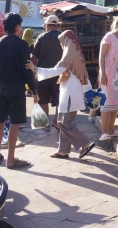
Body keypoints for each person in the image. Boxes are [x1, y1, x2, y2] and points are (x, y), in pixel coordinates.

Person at [26, 30, 95, 159]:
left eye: (62, 42)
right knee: (66, 122)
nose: (61, 45)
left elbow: (56, 71)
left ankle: (85, 142)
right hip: (75, 93)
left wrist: (35, 69)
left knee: (62, 122)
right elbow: (84, 76)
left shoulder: (68, 55)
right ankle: (63, 150)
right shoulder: (78, 55)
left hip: (69, 93)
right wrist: (86, 91)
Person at [0, 12, 39, 169]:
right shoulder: (22, 45)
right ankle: (11, 159)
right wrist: (34, 89)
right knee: (15, 123)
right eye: (20, 24)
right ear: (17, 26)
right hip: (16, 88)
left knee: (0, 121)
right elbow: (26, 70)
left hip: (1, 87)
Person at [31, 15, 63, 131]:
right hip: (60, 75)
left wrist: (30, 71)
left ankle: (45, 125)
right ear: (58, 25)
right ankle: (57, 122)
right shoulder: (63, 37)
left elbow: (34, 58)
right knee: (59, 100)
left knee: (43, 100)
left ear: (47, 25)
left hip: (42, 74)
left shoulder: (41, 37)